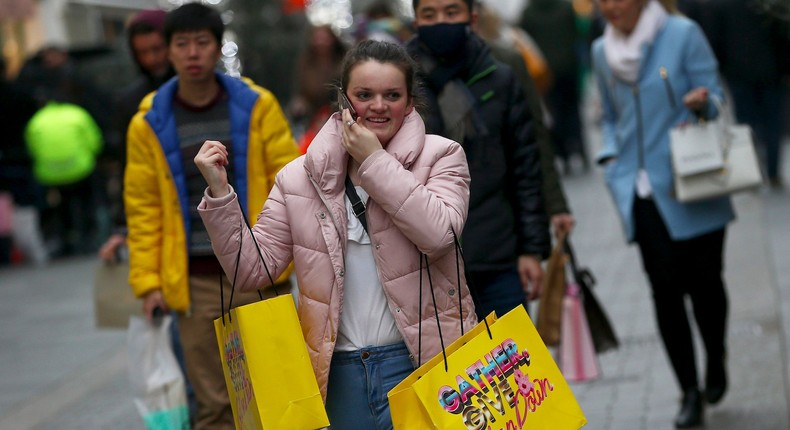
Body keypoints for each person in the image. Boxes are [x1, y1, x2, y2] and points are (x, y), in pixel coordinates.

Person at [195, 39, 477, 429]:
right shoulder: (299, 176)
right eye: (365, 95)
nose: (378, 106)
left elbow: (439, 234)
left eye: (391, 95)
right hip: (337, 372)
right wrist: (221, 194)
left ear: (409, 103)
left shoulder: (442, 156)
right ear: (344, 99)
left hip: (425, 362)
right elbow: (252, 272)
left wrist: (374, 161)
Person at [123, 3, 299, 429]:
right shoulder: (150, 121)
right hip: (194, 278)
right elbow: (143, 207)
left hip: (259, 270)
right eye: (182, 44)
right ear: (168, 51)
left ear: (218, 47)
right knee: (214, 402)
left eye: (202, 42)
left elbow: (290, 182)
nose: (193, 53)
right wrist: (148, 283)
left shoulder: (257, 106)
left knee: (279, 392)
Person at [591, 0, 733, 427]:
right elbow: (611, 118)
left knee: (706, 287)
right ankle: (688, 392)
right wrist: (612, 156)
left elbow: (717, 97)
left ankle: (716, 355)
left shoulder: (682, 34)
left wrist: (702, 103)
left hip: (692, 181)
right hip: (641, 193)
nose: (610, 6)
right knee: (665, 294)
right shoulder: (602, 52)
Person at [406, 0, 551, 320]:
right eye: (429, 15)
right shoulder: (399, 86)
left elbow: (525, 168)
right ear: (415, 22)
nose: (441, 22)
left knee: (514, 365)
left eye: (451, 12)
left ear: (471, 18)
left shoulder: (500, 78)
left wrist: (531, 249)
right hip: (428, 265)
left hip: (497, 256)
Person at [99, 9, 175, 263]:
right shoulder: (129, 101)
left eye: (157, 48)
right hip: (158, 211)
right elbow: (128, 168)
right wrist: (122, 227)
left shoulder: (204, 91)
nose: (152, 59)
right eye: (143, 52)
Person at [520, 0, 589, 174]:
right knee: (573, 110)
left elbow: (525, 42)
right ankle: (579, 148)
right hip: (568, 68)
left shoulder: (528, 12)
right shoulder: (566, 7)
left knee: (554, 113)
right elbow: (576, 34)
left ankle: (562, 153)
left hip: (545, 71)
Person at [287, 24, 347, 154]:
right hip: (313, 119)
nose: (321, 42)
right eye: (317, 38)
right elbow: (300, 92)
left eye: (324, 38)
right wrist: (299, 104)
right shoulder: (305, 64)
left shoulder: (343, 62)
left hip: (339, 116)